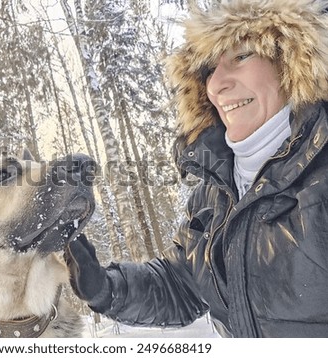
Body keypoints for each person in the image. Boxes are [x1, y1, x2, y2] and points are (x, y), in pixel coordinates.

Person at [64, 0, 328, 338]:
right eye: (208, 71)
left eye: (241, 56)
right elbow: (182, 284)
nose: (217, 85)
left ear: (292, 59)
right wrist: (105, 288)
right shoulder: (216, 190)